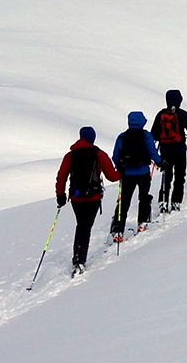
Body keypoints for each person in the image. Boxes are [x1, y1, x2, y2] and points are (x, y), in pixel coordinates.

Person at [55, 126, 120, 276]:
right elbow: (112, 176)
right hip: (93, 197)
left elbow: (62, 176)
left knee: (82, 225)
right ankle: (79, 260)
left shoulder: (70, 156)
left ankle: (78, 258)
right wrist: (121, 172)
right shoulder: (99, 154)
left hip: (76, 198)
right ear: (92, 138)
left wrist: (60, 195)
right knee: (85, 226)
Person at [111, 112, 162, 240]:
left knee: (124, 201)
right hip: (143, 172)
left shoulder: (122, 137)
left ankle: (118, 229)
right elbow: (152, 152)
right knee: (144, 197)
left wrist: (120, 166)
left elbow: (115, 156)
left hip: (127, 174)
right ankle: (142, 222)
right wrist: (160, 162)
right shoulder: (146, 136)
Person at [151, 90, 187, 213]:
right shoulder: (182, 114)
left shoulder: (161, 114)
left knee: (166, 177)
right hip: (180, 150)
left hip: (165, 150)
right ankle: (176, 202)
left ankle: (163, 201)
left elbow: (154, 134)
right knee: (179, 176)